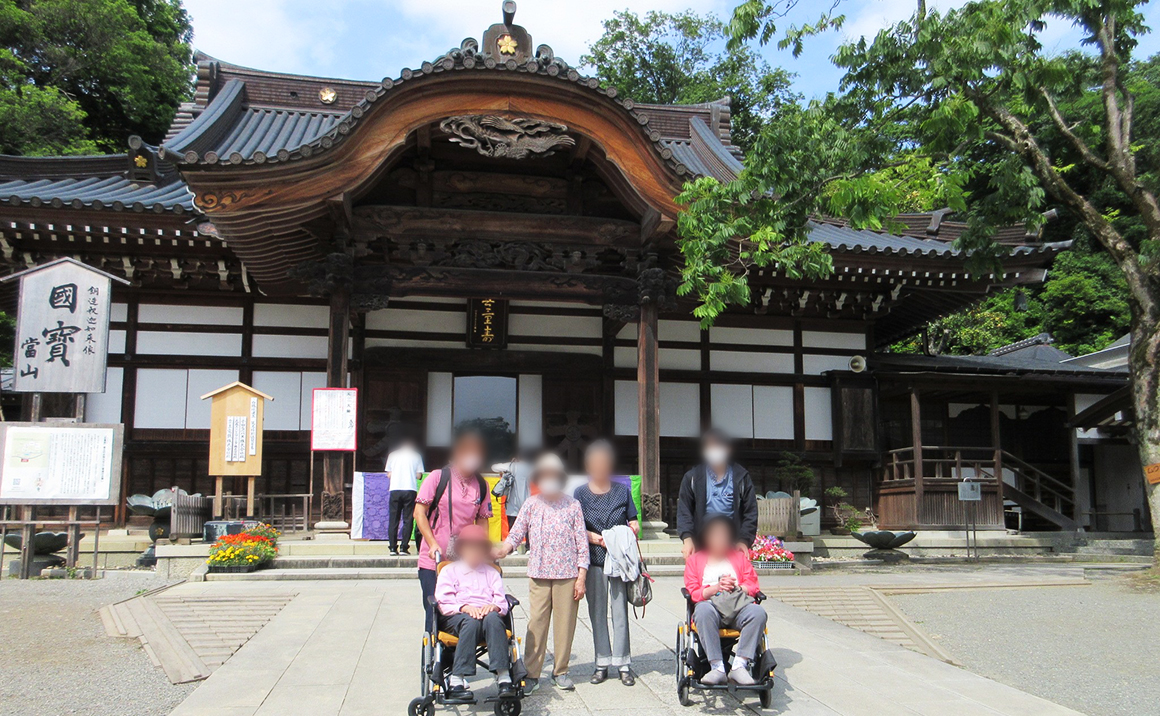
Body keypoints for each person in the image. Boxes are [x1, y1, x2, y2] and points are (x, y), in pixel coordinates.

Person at [495, 452, 588, 693]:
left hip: (567, 574)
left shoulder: (573, 505)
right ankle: (532, 673)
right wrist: (504, 548)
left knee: (565, 624)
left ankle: (561, 671)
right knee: (536, 622)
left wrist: (581, 577)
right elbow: (516, 533)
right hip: (539, 572)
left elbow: (582, 543)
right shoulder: (531, 504)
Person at [573, 439, 638, 686]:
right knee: (597, 611)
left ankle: (623, 663)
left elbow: (634, 521)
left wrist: (628, 530)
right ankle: (601, 662)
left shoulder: (622, 491)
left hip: (619, 559)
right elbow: (576, 527)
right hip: (594, 559)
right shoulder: (580, 493)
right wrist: (596, 539)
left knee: (620, 611)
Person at [414, 428, 492, 633]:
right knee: (436, 609)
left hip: (465, 559)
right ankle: (434, 647)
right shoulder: (438, 477)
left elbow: (483, 520)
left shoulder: (481, 485)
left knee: (463, 609)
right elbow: (419, 513)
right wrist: (432, 543)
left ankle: (461, 650)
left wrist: (482, 548)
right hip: (435, 558)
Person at [433, 524, 517, 701]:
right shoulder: (449, 571)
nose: (474, 552)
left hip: (487, 618)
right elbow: (443, 601)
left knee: (494, 618)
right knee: (470, 621)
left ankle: (504, 677)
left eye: (478, 548)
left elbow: (501, 600)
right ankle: (457, 679)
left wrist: (494, 607)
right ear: (462, 550)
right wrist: (464, 607)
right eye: (470, 548)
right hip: (457, 616)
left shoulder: (491, 572)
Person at [683, 515, 767, 686]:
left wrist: (737, 587)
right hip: (711, 607)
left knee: (758, 612)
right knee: (702, 610)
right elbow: (692, 592)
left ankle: (739, 666)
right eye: (715, 534)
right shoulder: (695, 560)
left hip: (738, 607)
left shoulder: (739, 558)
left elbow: (753, 586)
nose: (720, 539)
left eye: (724, 535)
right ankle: (717, 668)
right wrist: (716, 588)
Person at [677, 428, 758, 560]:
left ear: (728, 449)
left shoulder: (741, 477)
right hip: (701, 545)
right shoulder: (692, 478)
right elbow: (684, 511)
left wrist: (744, 540)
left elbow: (750, 512)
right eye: (710, 447)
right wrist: (687, 538)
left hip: (732, 545)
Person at [385, 437, 425, 556]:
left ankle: (392, 548)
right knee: (408, 519)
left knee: (393, 519)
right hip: (410, 489)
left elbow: (389, 474)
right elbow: (419, 475)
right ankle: (404, 547)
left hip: (395, 489)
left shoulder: (392, 455)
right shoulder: (416, 456)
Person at [491, 451, 532, 551]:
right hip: (527, 501)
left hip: (513, 502)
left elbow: (494, 467)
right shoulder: (530, 467)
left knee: (512, 526)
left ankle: (513, 549)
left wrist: (509, 465)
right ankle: (529, 547)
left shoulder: (512, 466)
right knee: (528, 525)